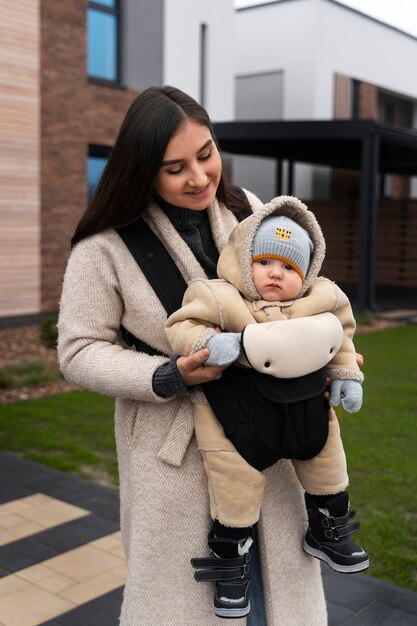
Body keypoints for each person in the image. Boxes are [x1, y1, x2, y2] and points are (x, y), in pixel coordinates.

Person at [58, 85, 331, 625]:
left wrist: (325, 351)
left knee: (271, 590)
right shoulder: (105, 247)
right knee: (191, 603)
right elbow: (78, 351)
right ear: (142, 172)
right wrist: (166, 375)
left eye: (206, 153)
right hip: (175, 455)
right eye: (175, 167)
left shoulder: (250, 211)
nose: (201, 177)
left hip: (266, 428)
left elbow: (299, 289)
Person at [165, 195, 369, 617]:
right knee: (233, 481)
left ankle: (328, 525)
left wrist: (347, 375)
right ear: (244, 260)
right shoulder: (220, 296)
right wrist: (206, 342)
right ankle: (230, 558)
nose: (276, 273)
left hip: (305, 407)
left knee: (326, 458)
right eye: (265, 262)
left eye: (290, 268)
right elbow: (182, 324)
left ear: (307, 273)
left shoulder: (324, 298)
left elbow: (342, 337)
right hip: (235, 413)